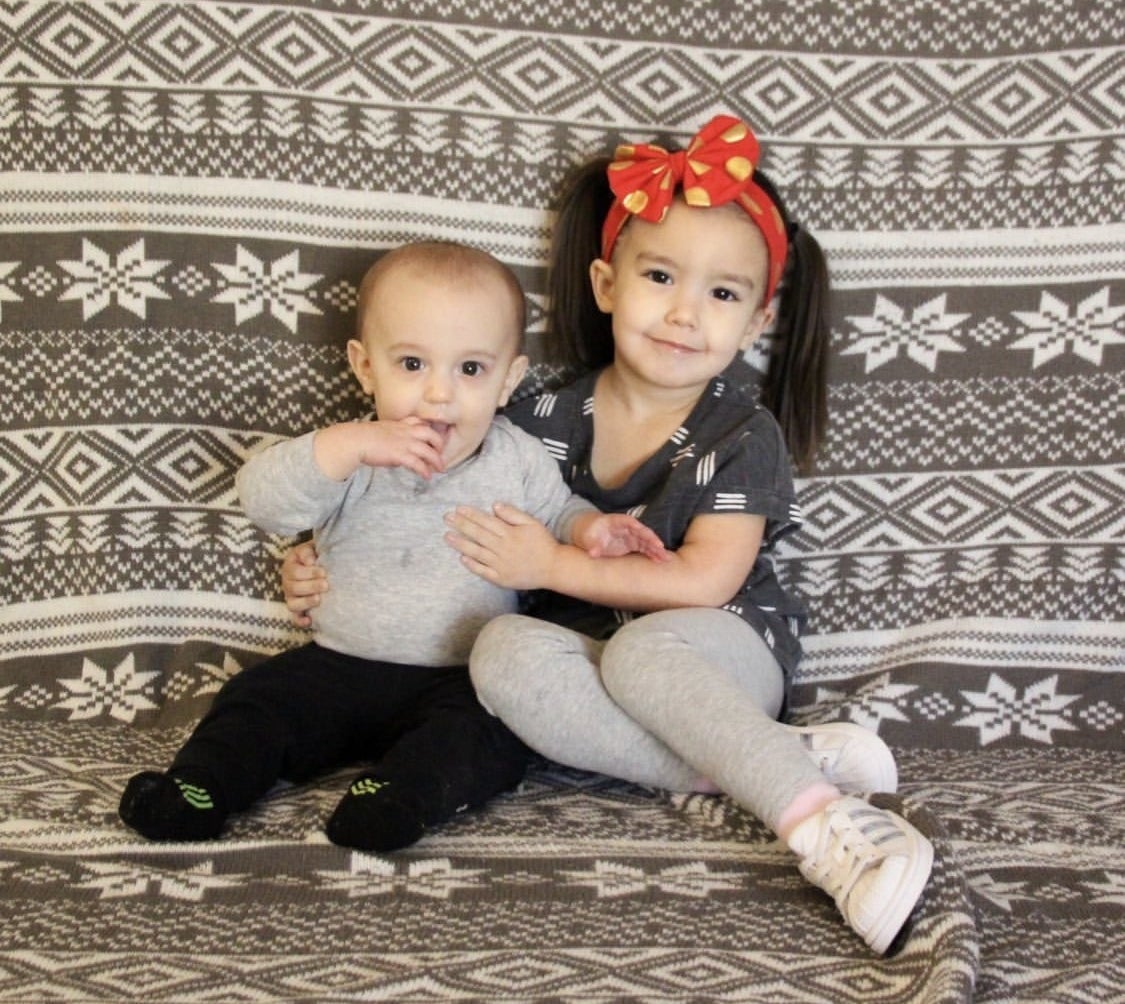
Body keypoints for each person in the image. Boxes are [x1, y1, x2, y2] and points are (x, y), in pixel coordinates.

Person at [283, 116, 933, 954]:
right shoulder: (535, 420)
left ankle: (827, 827)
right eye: (659, 275)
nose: (684, 313)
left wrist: (552, 562)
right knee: (501, 655)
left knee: (642, 651)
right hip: (596, 669)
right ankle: (772, 759)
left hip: (720, 647)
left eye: (722, 295)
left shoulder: (742, 433)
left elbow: (705, 582)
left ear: (757, 321)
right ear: (604, 283)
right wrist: (323, 560)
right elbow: (426, 509)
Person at [118, 240, 666, 853]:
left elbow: (558, 511)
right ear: (364, 367)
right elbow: (264, 502)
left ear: (508, 379)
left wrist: (590, 530)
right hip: (338, 665)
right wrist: (346, 445)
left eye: (470, 370)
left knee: (493, 732)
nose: (439, 394)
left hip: (460, 677)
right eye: (411, 364)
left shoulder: (515, 457)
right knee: (256, 701)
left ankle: (400, 795)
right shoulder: (351, 453)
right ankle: (199, 787)